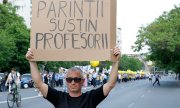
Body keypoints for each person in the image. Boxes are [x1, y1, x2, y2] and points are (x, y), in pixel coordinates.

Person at [25, 47, 120, 108]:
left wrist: (116, 61)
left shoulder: (91, 97)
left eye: (77, 79)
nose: (73, 82)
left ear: (83, 81)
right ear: (66, 81)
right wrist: (31, 61)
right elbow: (39, 84)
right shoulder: (58, 97)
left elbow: (110, 84)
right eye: (69, 79)